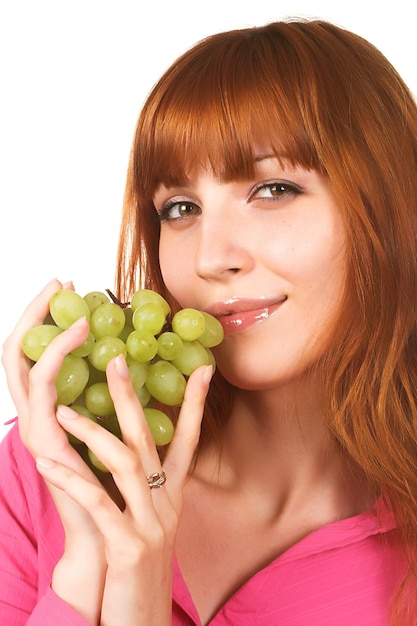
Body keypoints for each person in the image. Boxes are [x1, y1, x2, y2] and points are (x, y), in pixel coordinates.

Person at [1, 17, 417, 626]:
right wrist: (86, 568)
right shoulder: (52, 471)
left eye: (273, 190)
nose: (210, 257)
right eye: (181, 208)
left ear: (388, 207)